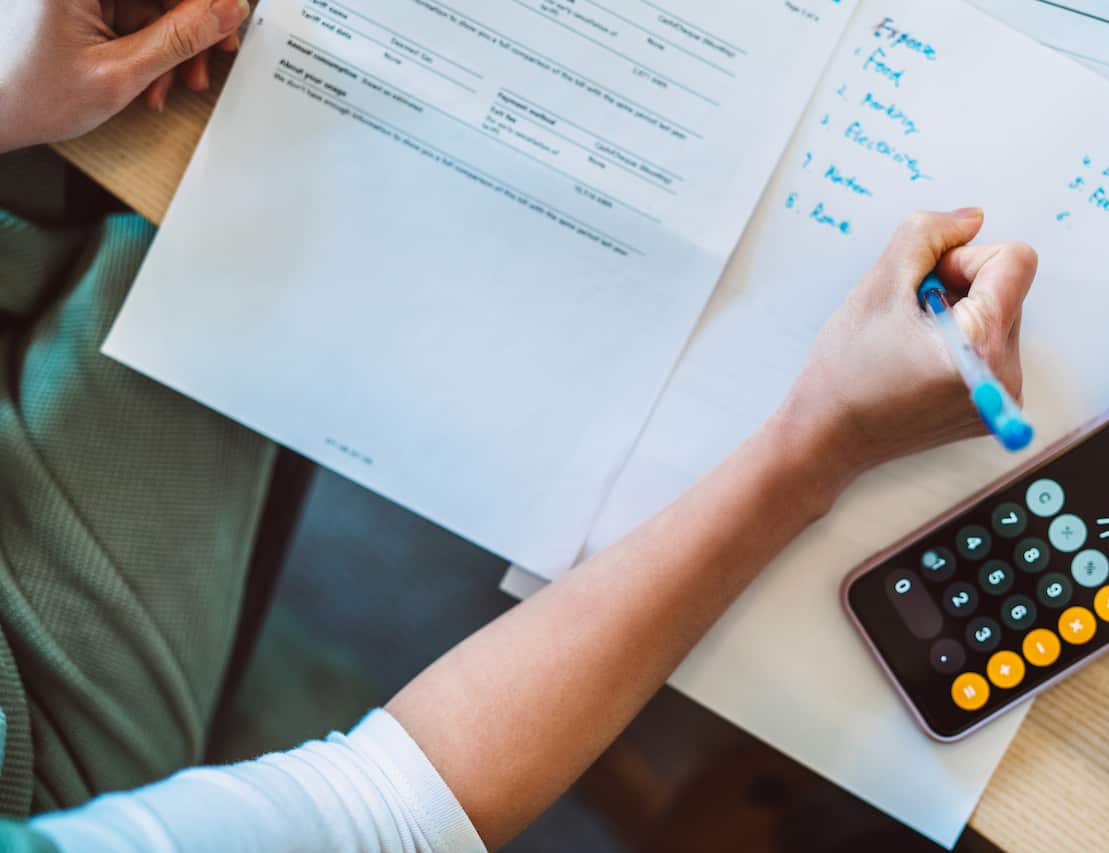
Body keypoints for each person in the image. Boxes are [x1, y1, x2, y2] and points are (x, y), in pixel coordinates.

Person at [0, 0, 1038, 849]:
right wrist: (820, 441)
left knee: (197, 158)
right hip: (41, 745)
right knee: (233, 216)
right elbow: (389, 809)